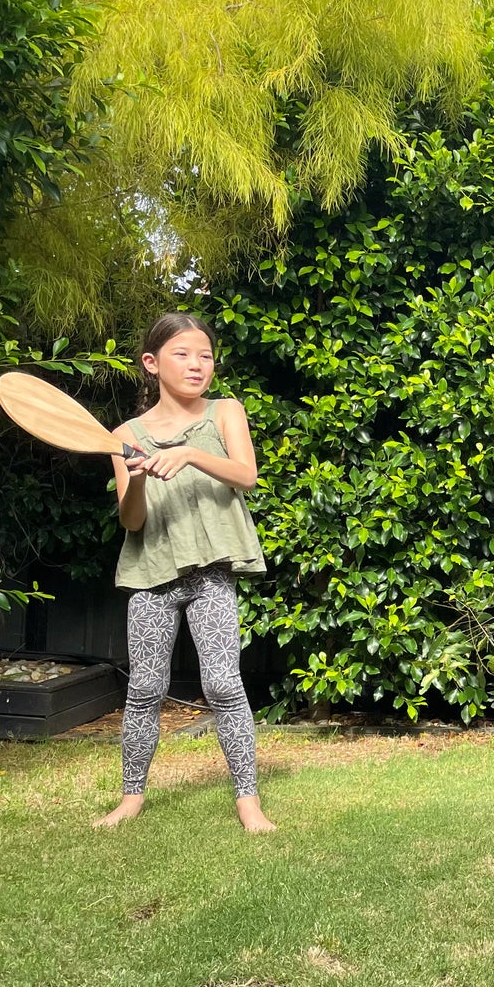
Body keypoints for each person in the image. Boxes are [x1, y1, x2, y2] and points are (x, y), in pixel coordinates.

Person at [95, 312, 275, 834]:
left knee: (223, 684)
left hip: (211, 574)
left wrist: (190, 454)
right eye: (183, 354)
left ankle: (249, 802)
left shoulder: (225, 411)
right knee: (145, 689)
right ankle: (131, 798)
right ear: (152, 363)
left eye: (206, 356)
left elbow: (247, 475)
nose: (197, 365)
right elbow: (132, 521)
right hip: (151, 576)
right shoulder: (125, 435)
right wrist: (136, 479)